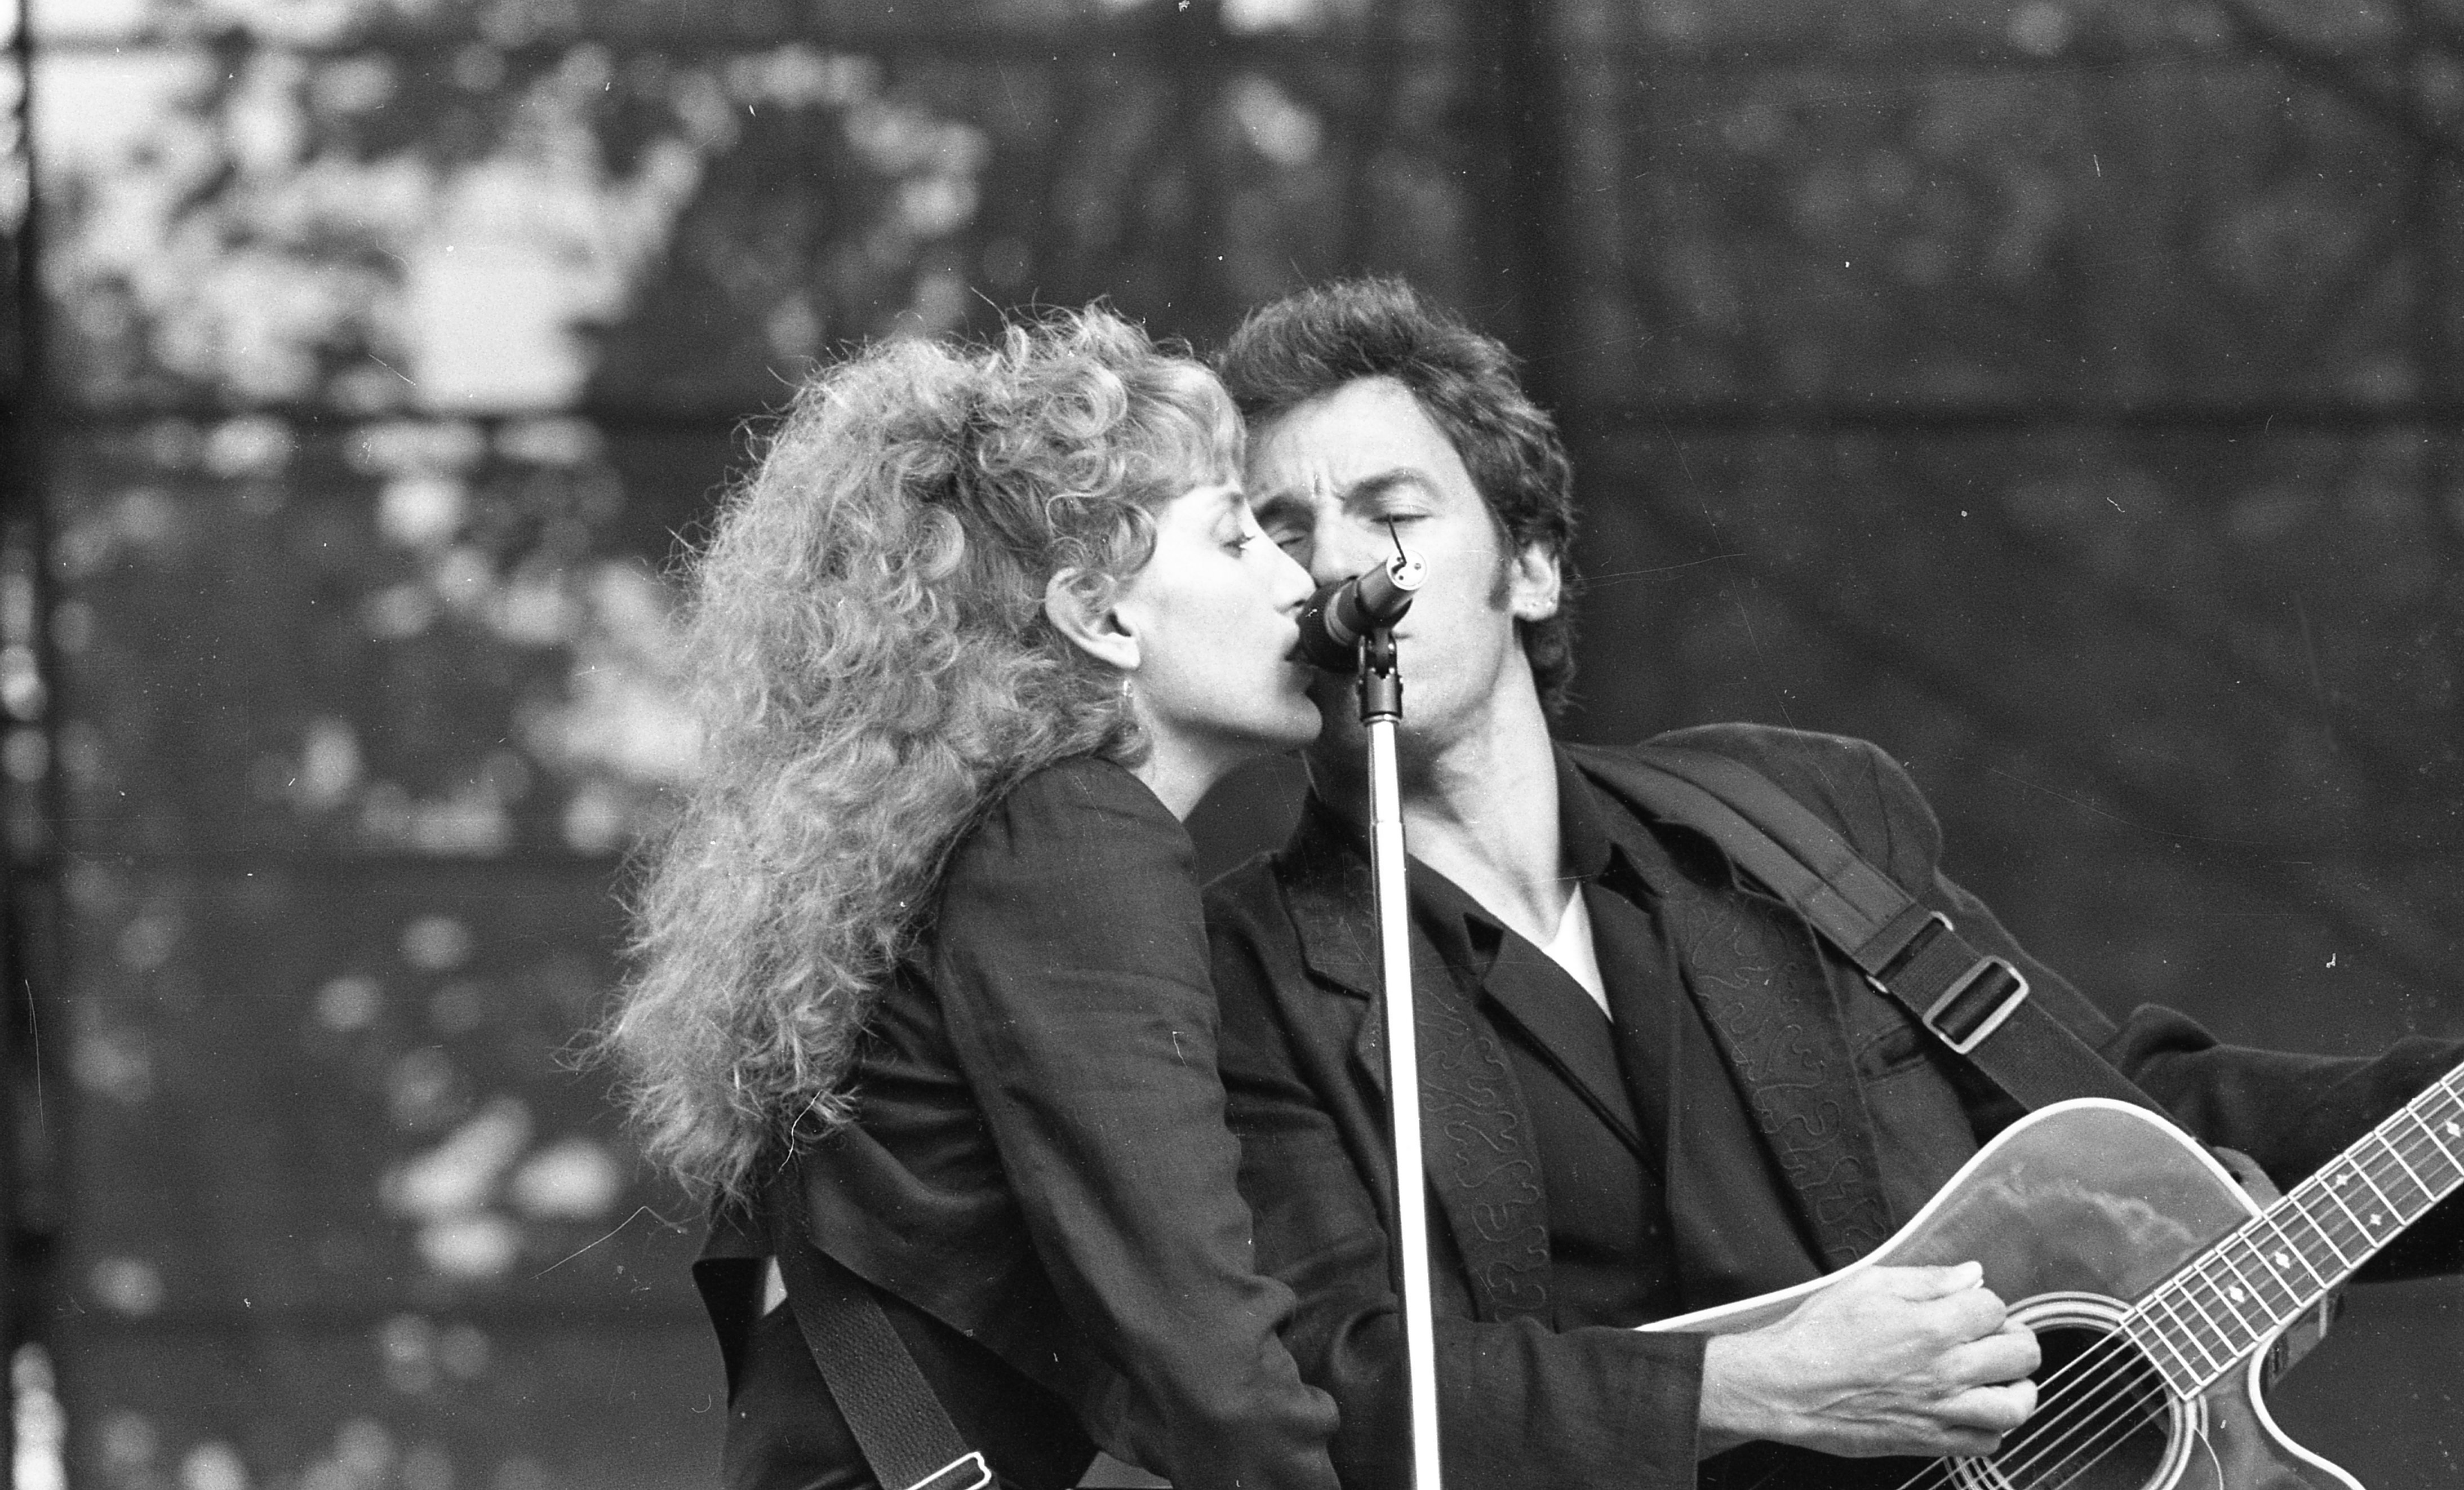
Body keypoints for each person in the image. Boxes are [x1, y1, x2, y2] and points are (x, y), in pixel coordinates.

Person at [1200, 277, 2464, 1490]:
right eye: (1284, 532)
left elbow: (2103, 1111)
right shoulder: (1246, 973)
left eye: (1392, 513)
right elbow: (1327, 1388)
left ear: (1528, 563)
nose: (1337, 572)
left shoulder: (1791, 814)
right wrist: (1750, 1390)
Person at [605, 308, 1342, 1490]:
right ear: (1099, 617)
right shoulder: (1080, 838)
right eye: (1238, 538)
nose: (1300, 581)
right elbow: (1201, 1357)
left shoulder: (992, 847)